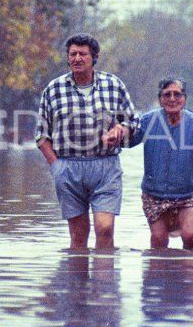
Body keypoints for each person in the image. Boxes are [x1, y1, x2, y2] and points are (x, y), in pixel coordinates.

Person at [36, 33, 139, 253]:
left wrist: (120, 130)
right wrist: (56, 167)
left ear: (94, 57)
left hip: (106, 167)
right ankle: (78, 286)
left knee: (105, 229)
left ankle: (104, 285)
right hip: (68, 168)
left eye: (83, 54)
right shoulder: (54, 90)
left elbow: (134, 122)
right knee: (78, 235)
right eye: (72, 54)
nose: (77, 58)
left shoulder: (113, 85)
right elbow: (42, 136)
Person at [127, 77, 193, 252]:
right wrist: (115, 131)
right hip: (154, 194)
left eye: (177, 94)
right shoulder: (147, 121)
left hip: (189, 193)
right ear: (160, 98)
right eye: (167, 95)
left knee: (190, 234)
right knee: (158, 239)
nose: (172, 99)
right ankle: (159, 276)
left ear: (184, 98)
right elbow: (127, 141)